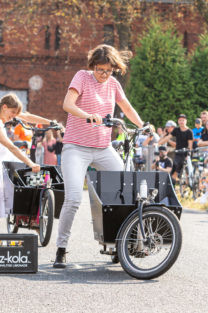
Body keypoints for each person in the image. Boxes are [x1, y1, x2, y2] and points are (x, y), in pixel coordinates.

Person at [53, 44, 143, 268]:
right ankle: (61, 249)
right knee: (73, 198)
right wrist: (87, 115)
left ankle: (118, 244)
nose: (104, 75)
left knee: (124, 190)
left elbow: (127, 108)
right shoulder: (82, 77)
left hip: (103, 148)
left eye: (109, 70)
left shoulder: (113, 84)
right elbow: (67, 104)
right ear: (93, 66)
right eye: (100, 69)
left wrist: (143, 126)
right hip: (76, 147)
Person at [0, 93, 53, 233]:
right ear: (5, 107)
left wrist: (50, 122)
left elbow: (25, 116)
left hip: (1, 153)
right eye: (12, 113)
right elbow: (10, 146)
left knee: (25, 176)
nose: (13, 117)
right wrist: (31, 162)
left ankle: (31, 217)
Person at [158, 114, 193, 183]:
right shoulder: (176, 130)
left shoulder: (189, 132)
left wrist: (188, 154)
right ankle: (173, 184)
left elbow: (190, 145)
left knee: (187, 171)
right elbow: (168, 138)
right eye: (180, 120)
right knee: (174, 170)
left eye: (183, 120)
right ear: (178, 121)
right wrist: (158, 143)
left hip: (186, 153)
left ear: (186, 121)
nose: (181, 122)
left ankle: (188, 184)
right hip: (177, 153)